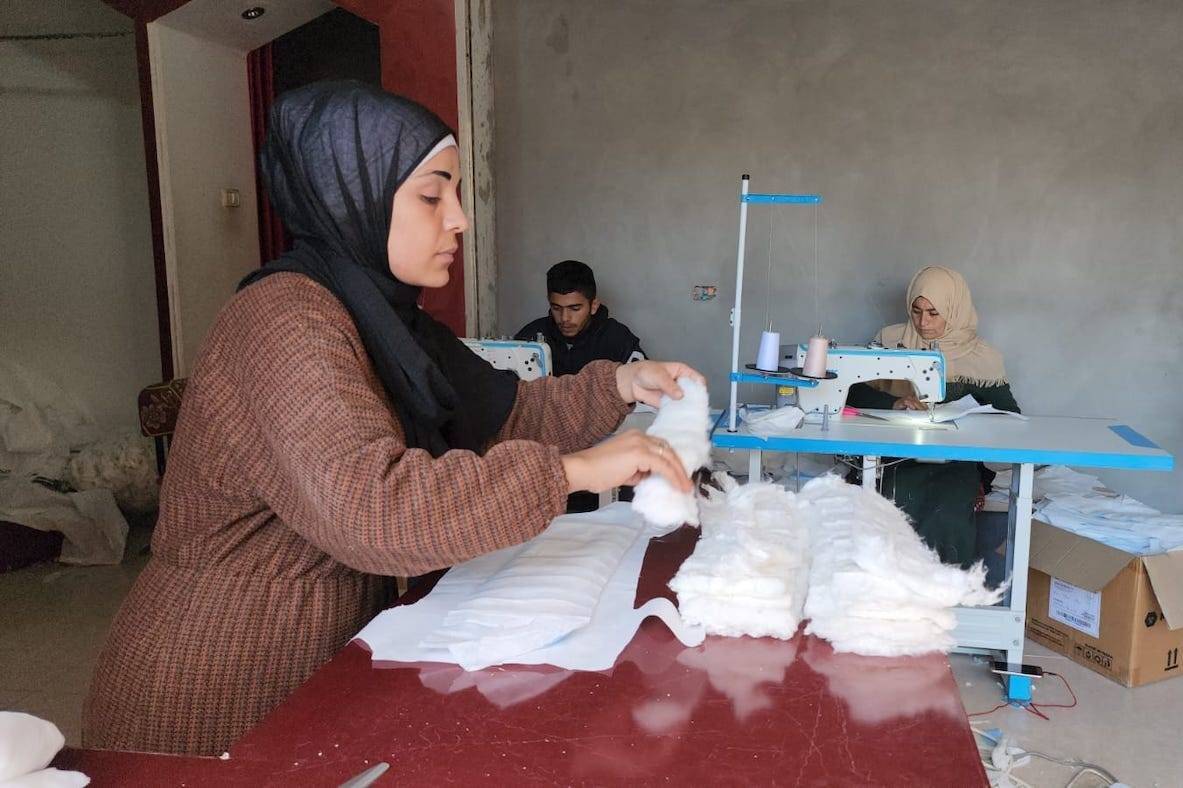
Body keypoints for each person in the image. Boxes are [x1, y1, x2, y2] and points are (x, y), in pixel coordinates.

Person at [82, 81, 701, 756]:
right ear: (356, 197)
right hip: (217, 685)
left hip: (319, 666)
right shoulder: (285, 320)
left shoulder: (383, 321)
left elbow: (506, 412)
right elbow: (371, 507)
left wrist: (619, 381)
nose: (458, 218)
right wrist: (572, 472)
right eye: (433, 195)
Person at [847, 266, 1020, 567]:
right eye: (916, 311)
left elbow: (1009, 414)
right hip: (896, 455)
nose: (923, 323)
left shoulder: (982, 357)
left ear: (954, 310)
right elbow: (853, 394)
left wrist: (965, 418)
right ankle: (892, 591)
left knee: (949, 510)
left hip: (954, 460)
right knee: (893, 500)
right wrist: (895, 402)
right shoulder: (889, 341)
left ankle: (943, 590)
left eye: (933, 313)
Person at [515, 260, 645, 377]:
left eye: (575, 308)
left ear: (593, 306)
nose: (564, 318)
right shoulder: (530, 337)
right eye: (556, 308)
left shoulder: (618, 339)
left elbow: (644, 391)